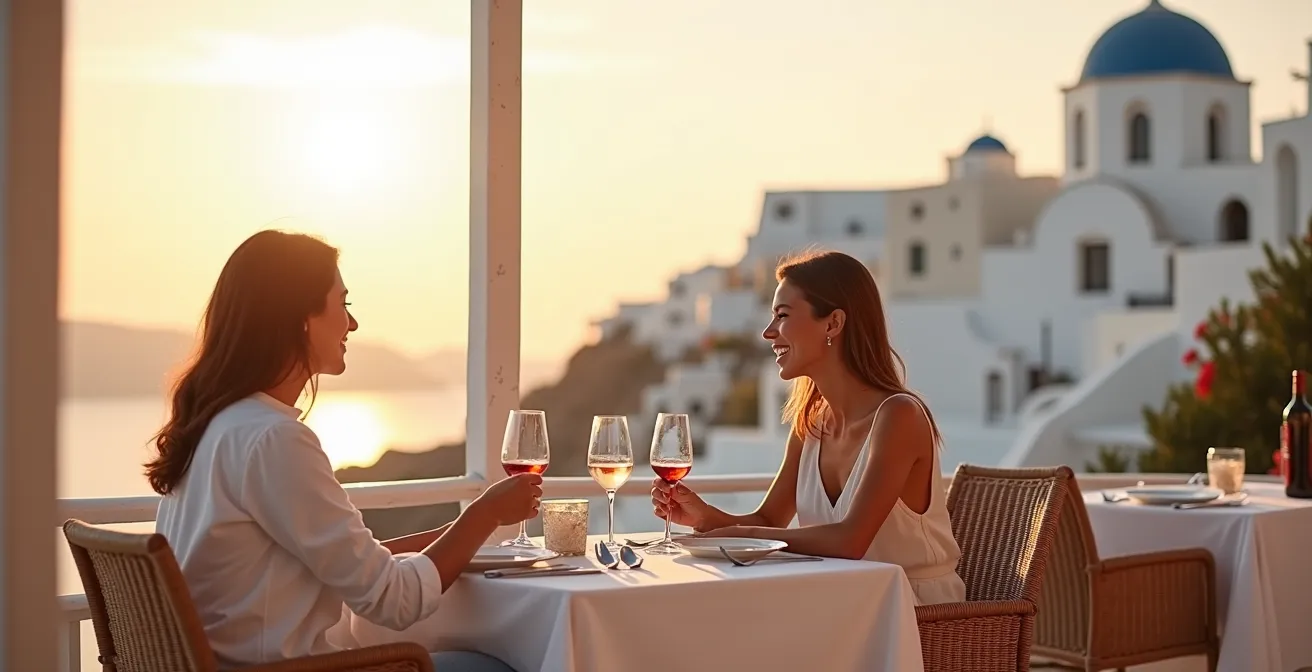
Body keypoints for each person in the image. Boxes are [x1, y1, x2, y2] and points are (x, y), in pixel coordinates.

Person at [149, 230, 532, 670]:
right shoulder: (275, 440)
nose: (352, 324)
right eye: (343, 305)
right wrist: (485, 513)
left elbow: (339, 561)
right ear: (301, 319)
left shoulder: (216, 428)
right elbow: (395, 601)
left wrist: (463, 532)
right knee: (503, 665)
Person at [651, 250, 966, 606]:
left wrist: (748, 535)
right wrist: (706, 517)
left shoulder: (899, 416)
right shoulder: (811, 422)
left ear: (832, 324)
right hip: (839, 601)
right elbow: (770, 518)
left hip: (916, 614)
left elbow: (850, 541)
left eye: (782, 316)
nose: (768, 333)